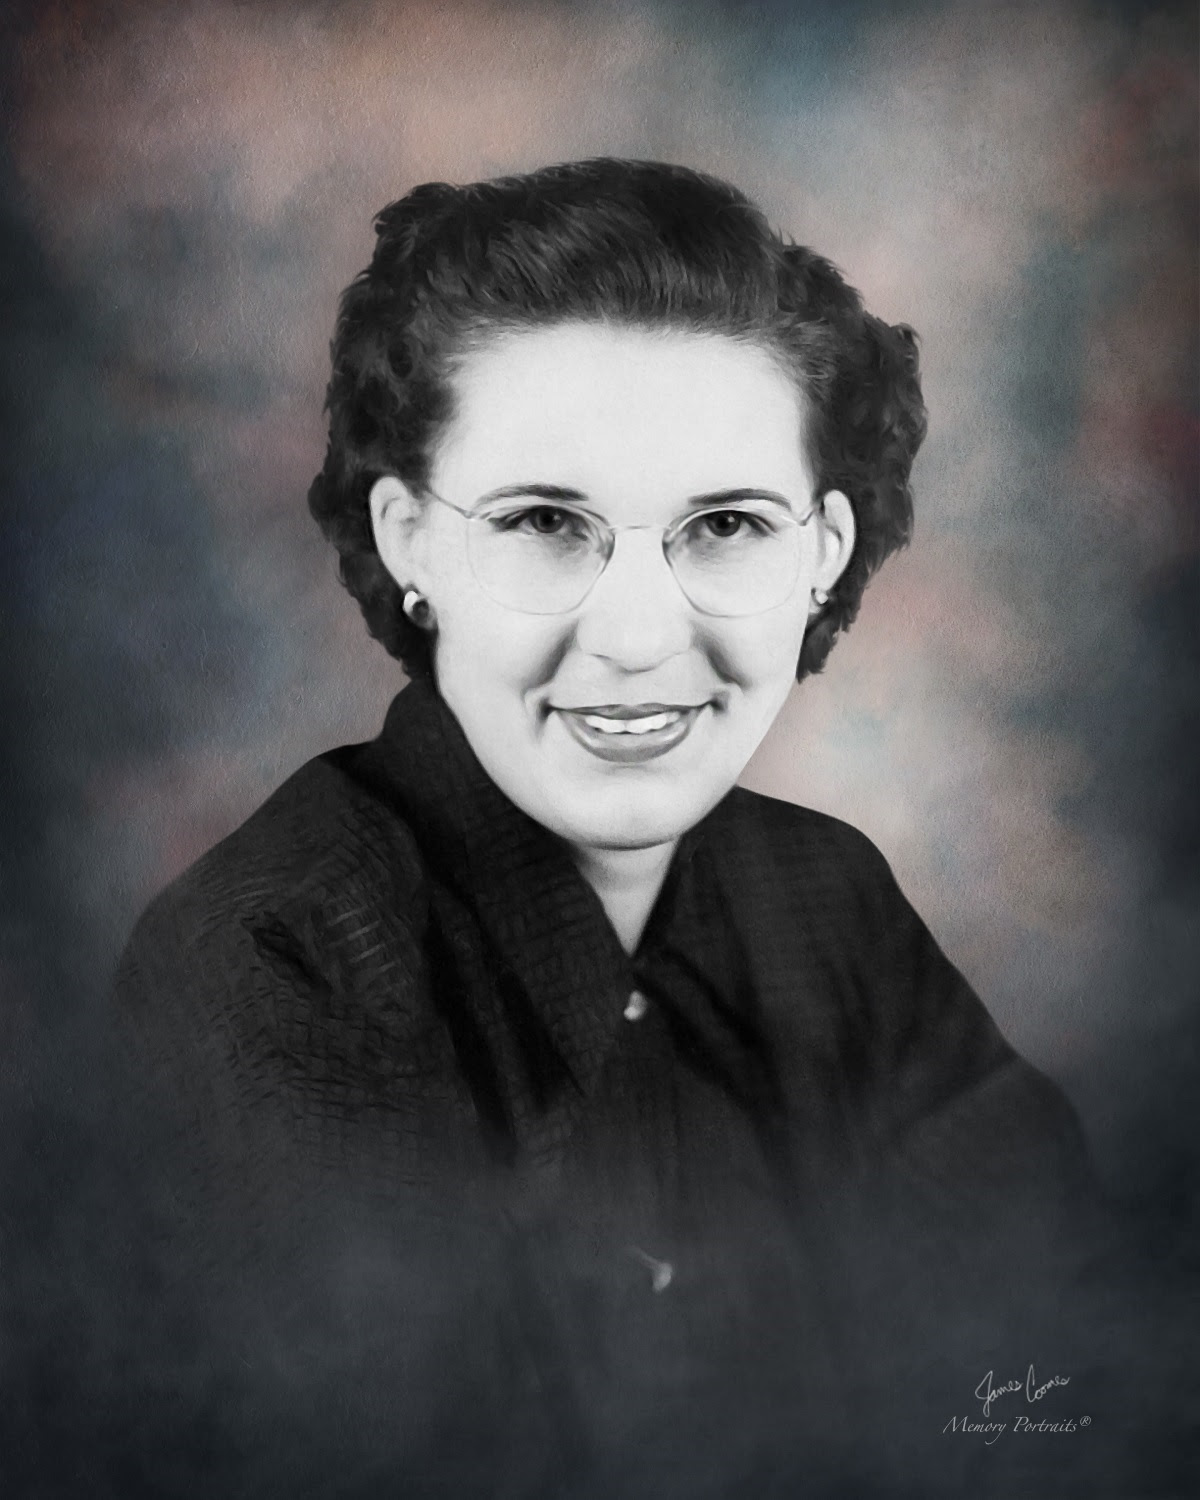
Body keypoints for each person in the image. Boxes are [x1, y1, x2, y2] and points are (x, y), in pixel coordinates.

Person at [113, 160, 1099, 1499]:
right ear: (409, 542)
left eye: (727, 524)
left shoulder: (829, 894)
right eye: (544, 521)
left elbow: (1063, 1368)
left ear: (821, 552)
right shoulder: (264, 964)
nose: (638, 638)